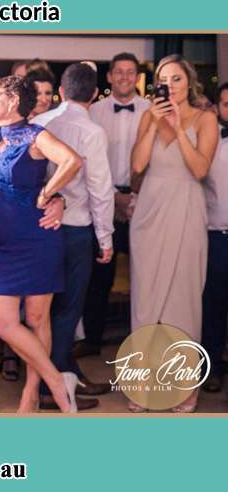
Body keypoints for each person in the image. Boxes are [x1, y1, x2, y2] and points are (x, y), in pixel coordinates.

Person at [0, 75, 83, 412]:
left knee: (38, 318)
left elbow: (72, 160)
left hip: (37, 239)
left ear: (11, 100)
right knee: (0, 321)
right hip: (2, 245)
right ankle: (56, 378)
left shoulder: (36, 136)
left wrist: (49, 192)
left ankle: (31, 393)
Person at [129, 54, 218, 413]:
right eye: (164, 80)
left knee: (182, 300)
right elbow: (136, 166)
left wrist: (179, 126)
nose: (170, 85)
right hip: (149, 212)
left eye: (177, 79)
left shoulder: (206, 118)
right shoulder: (147, 116)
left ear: (189, 81)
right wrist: (154, 122)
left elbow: (199, 169)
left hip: (186, 209)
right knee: (146, 302)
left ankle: (184, 387)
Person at [34, 63, 116, 411]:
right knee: (67, 311)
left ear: (61, 92)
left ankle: (56, 377)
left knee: (41, 310)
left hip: (39, 228)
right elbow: (101, 190)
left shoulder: (39, 123)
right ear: (95, 95)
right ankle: (56, 386)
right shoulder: (93, 132)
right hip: (77, 231)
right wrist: (106, 237)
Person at [77, 52, 149, 358]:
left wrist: (134, 196)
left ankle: (143, 338)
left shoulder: (150, 110)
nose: (123, 77)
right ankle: (92, 340)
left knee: (146, 276)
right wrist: (114, 199)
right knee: (99, 277)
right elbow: (87, 162)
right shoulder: (93, 112)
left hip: (145, 203)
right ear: (109, 77)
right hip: (103, 202)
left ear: (137, 77)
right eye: (118, 72)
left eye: (130, 72)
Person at [201, 82, 228, 393]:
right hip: (215, 236)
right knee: (213, 306)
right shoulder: (208, 141)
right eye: (225, 103)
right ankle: (212, 369)